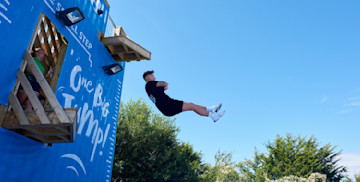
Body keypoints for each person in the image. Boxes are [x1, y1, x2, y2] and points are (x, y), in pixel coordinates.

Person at [143, 70, 225, 122]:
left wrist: (162, 87)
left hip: (167, 105)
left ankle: (210, 109)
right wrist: (162, 84)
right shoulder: (150, 84)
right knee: (192, 107)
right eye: (152, 74)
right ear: (148, 77)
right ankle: (213, 116)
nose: (154, 76)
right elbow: (165, 84)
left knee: (192, 105)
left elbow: (164, 88)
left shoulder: (149, 88)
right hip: (168, 105)